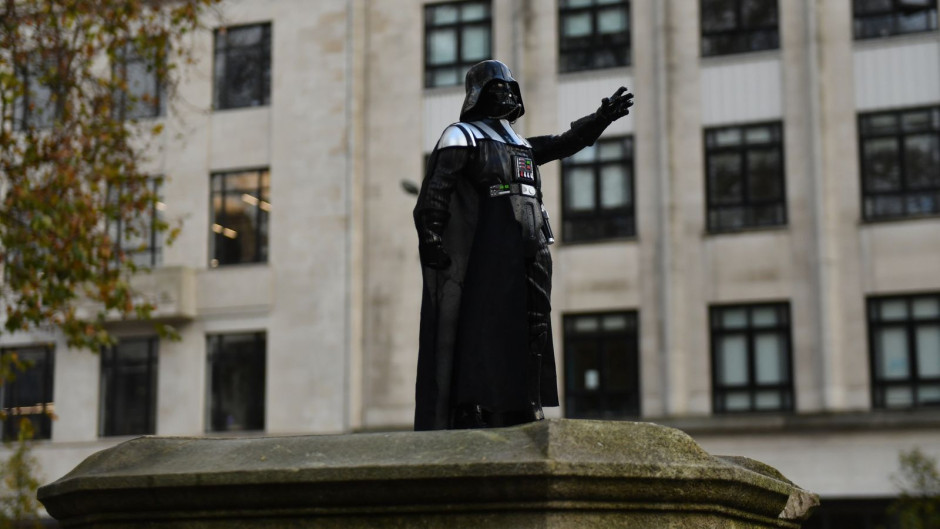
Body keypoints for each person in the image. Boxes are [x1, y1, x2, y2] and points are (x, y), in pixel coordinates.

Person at [413, 60, 634, 431]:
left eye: (509, 88)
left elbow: (565, 143)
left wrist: (600, 119)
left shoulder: (521, 144)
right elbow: (437, 189)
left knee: (535, 319)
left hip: (532, 234)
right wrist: (431, 234)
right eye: (496, 88)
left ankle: (526, 399)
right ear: (478, 95)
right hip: (492, 236)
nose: (506, 94)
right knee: (482, 320)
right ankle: (473, 401)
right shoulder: (461, 136)